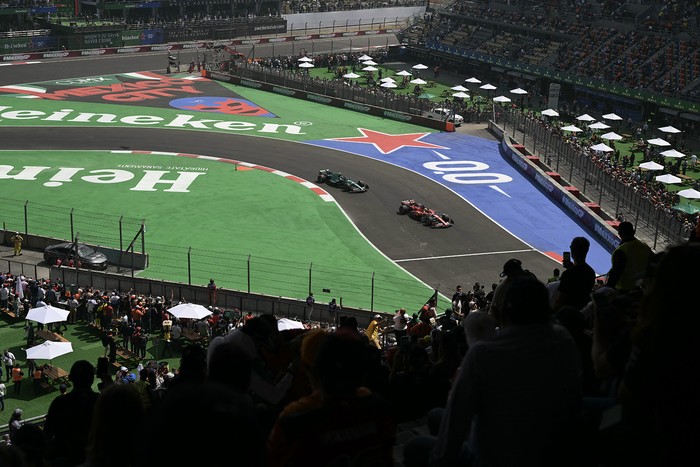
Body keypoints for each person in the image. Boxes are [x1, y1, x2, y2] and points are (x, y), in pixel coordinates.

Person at [404, 276, 583, 467]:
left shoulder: (483, 354)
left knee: (416, 444)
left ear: (506, 312)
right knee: (435, 416)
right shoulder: (563, 338)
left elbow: (457, 419)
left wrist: (440, 459)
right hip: (551, 450)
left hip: (495, 456)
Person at [43, 359, 99, 467]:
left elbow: (47, 434)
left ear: (71, 378)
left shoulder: (59, 402)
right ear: (92, 378)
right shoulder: (101, 401)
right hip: (94, 456)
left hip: (65, 457)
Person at [488, 258, 537, 326]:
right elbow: (494, 307)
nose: (508, 277)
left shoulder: (530, 278)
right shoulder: (504, 286)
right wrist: (503, 325)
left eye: (509, 275)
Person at [606, 221, 652, 292]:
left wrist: (607, 289)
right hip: (639, 287)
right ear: (633, 232)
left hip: (623, 289)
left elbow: (615, 273)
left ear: (619, 234)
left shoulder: (621, 251)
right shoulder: (644, 247)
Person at [554, 236, 597, 312]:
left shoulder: (568, 274)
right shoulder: (591, 272)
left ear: (572, 250)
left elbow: (559, 301)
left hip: (567, 314)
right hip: (582, 313)